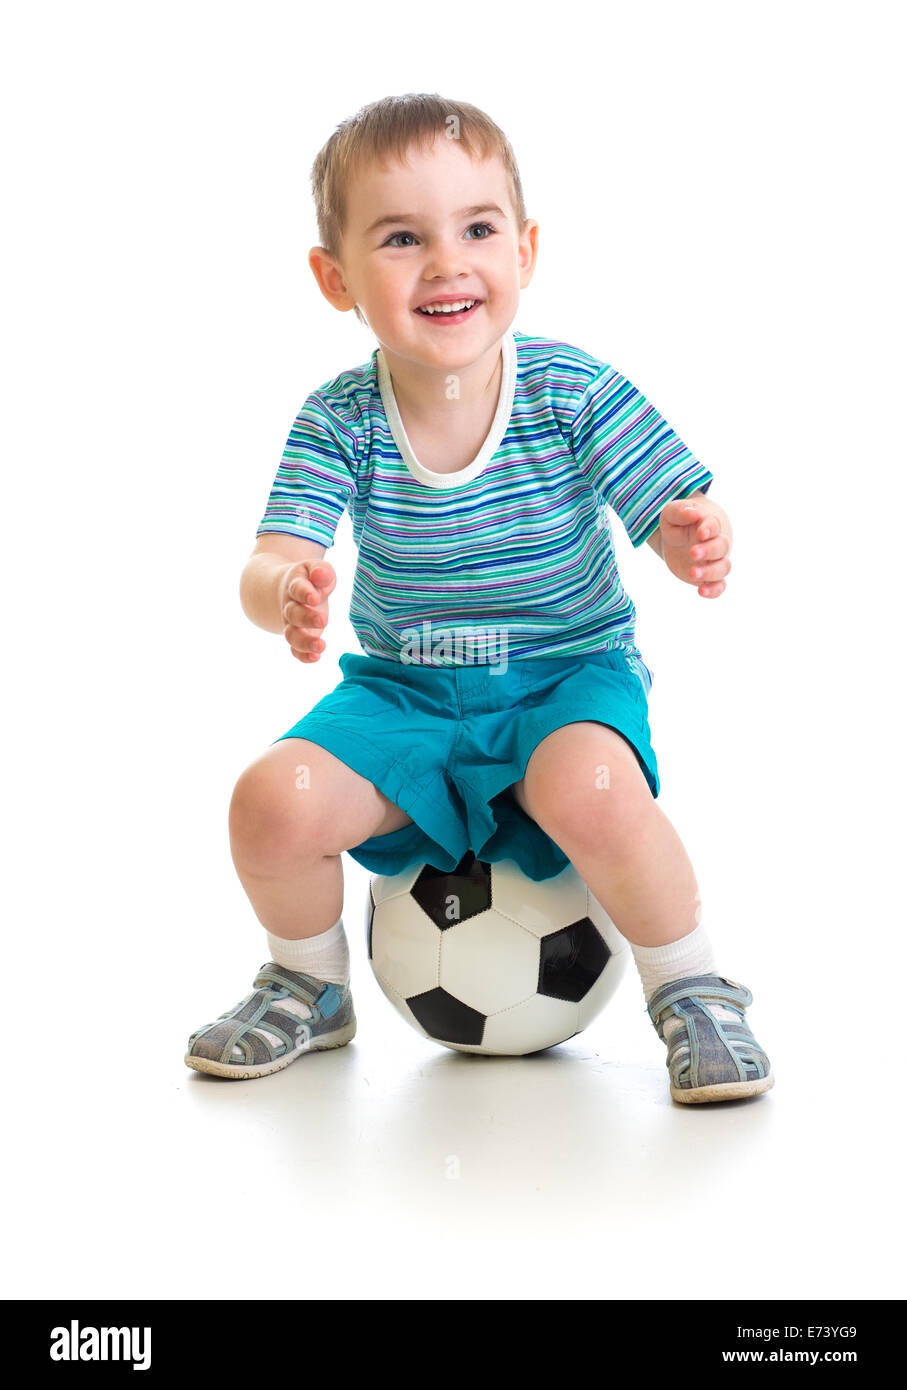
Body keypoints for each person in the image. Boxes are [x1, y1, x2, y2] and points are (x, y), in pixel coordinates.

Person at [185, 93, 773, 1104]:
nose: (447, 262)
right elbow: (267, 557)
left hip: (560, 679)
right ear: (336, 279)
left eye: (478, 229)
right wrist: (285, 587)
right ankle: (307, 981)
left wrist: (690, 536)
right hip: (406, 696)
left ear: (527, 251)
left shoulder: (569, 390)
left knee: (592, 787)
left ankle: (692, 984)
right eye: (402, 237)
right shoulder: (342, 419)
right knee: (268, 802)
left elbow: (671, 503)